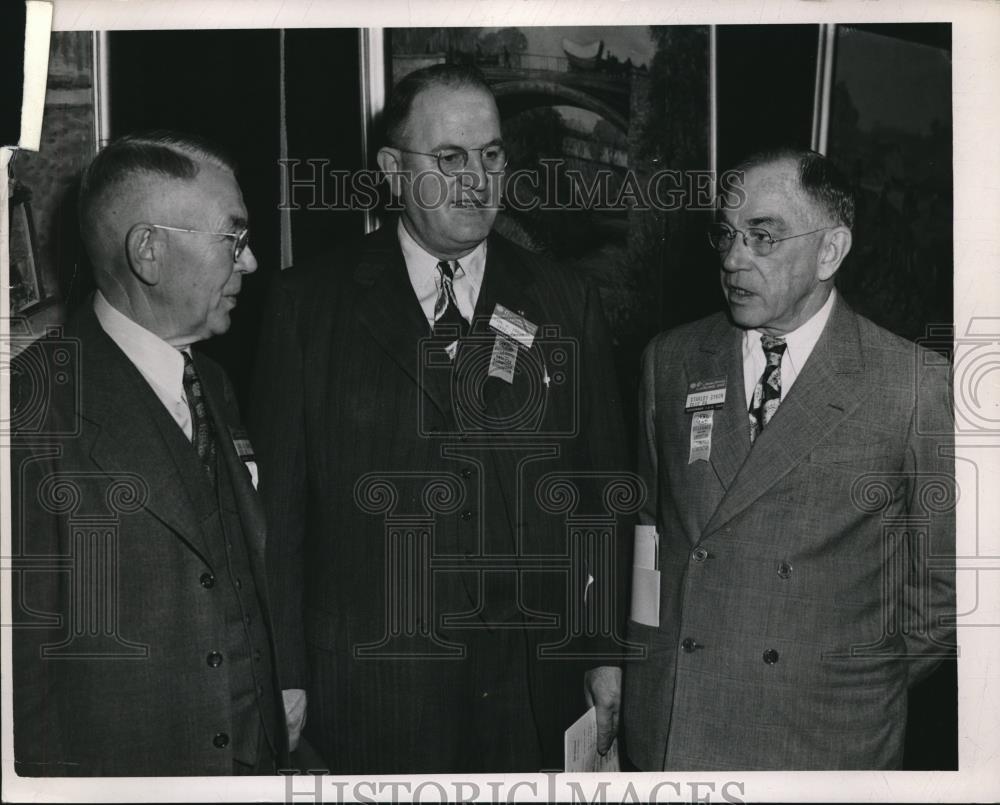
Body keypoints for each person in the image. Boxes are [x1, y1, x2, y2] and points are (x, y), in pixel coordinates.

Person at [250, 64, 631, 773]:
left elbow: (599, 496)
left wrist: (606, 650)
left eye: (491, 157)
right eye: (450, 158)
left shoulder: (564, 299)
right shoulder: (308, 305)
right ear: (393, 170)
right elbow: (280, 518)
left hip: (530, 692)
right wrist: (286, 672)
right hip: (372, 691)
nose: (478, 179)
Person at [622, 148, 955, 770]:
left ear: (830, 250)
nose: (731, 259)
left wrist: (846, 678)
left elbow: (944, 589)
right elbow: (650, 531)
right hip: (679, 722)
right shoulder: (669, 360)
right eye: (726, 233)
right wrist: (644, 658)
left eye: (762, 237)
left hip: (821, 739)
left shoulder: (911, 386)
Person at [10, 132, 294, 776]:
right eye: (234, 238)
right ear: (149, 250)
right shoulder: (33, 406)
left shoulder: (215, 383)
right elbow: (20, 677)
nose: (249, 264)